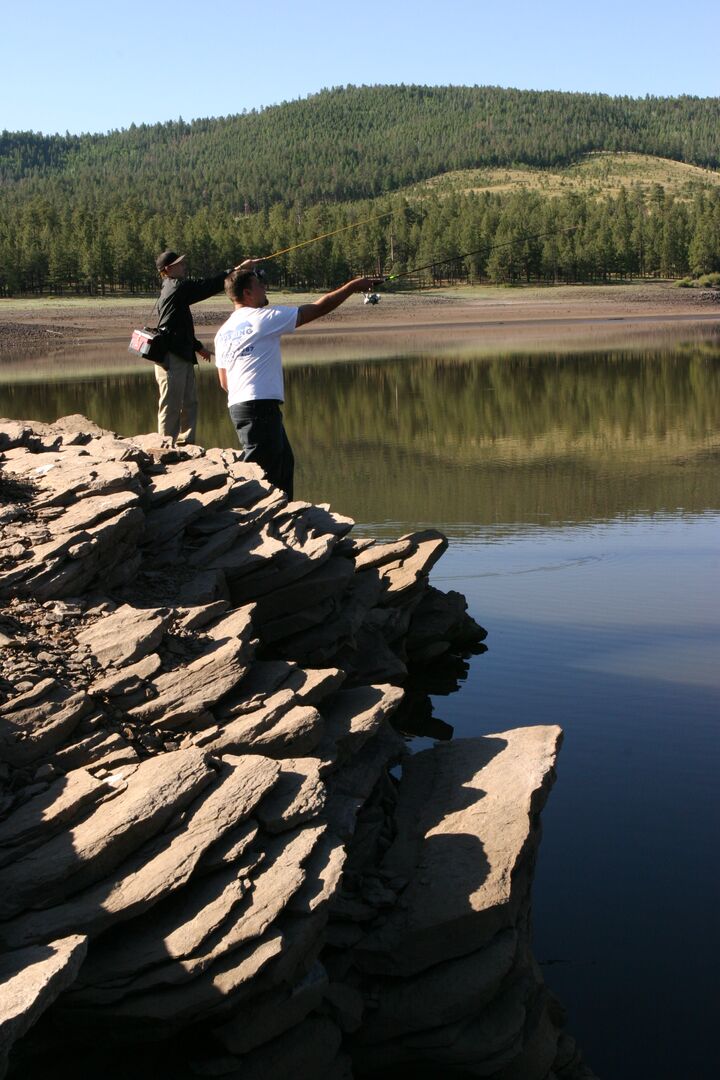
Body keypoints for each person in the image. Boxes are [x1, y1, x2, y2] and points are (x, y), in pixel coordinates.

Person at [214, 270, 379, 498]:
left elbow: (224, 382)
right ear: (247, 293)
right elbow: (318, 308)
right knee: (262, 471)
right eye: (259, 285)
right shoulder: (263, 318)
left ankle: (283, 519)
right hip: (257, 406)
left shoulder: (222, 333)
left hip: (243, 407)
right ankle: (247, 522)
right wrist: (352, 287)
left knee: (283, 463)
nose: (265, 288)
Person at [154, 250, 257, 445]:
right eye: (179, 263)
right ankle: (165, 448)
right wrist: (238, 269)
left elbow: (178, 327)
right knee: (171, 405)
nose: (184, 265)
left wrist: (198, 347)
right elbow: (208, 286)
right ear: (168, 269)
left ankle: (186, 445)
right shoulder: (176, 288)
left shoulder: (173, 288)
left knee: (189, 403)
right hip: (170, 357)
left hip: (181, 355)